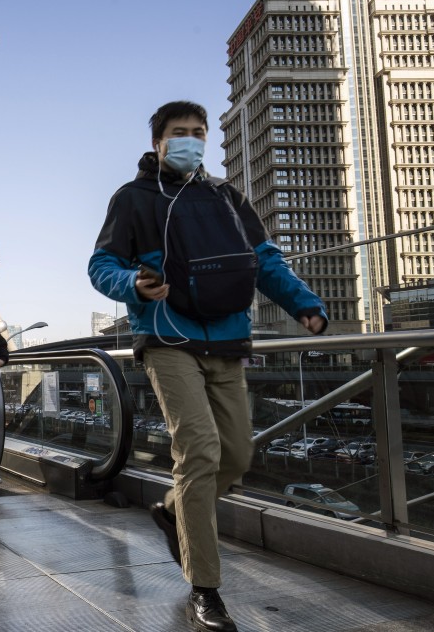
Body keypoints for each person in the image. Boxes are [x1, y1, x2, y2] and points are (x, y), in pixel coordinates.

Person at [88, 101, 327, 632]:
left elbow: (265, 260)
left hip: (227, 340)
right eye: (180, 133)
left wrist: (305, 304)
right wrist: (134, 284)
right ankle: (206, 590)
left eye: (198, 132)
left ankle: (175, 511)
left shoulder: (228, 198)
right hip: (168, 340)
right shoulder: (133, 199)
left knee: (237, 455)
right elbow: (101, 264)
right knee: (198, 451)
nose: (191, 140)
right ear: (158, 143)